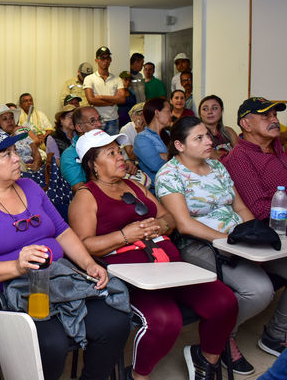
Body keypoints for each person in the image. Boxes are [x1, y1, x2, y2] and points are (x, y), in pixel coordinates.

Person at [0, 126, 131, 380]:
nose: (17, 158)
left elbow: (63, 232)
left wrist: (88, 264)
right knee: (50, 343)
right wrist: (17, 265)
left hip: (57, 279)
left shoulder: (31, 187)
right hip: (7, 292)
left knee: (115, 323)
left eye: (14, 151)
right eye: (6, 155)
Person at [68, 128, 238, 380]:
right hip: (132, 279)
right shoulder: (85, 197)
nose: (120, 158)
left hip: (170, 267)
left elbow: (167, 217)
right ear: (93, 164)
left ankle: (205, 360)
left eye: (119, 151)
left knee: (225, 302)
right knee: (166, 321)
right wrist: (126, 235)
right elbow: (82, 245)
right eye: (111, 153)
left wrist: (160, 225)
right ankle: (138, 376)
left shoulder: (134, 186)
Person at [156, 116, 287, 373]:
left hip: (237, 239)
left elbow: (238, 206)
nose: (209, 141)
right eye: (199, 138)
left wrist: (256, 235)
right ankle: (222, 338)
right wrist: (231, 243)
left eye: (207, 135)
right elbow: (184, 224)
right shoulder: (170, 174)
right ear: (180, 146)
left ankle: (276, 333)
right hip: (201, 245)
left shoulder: (217, 167)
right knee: (259, 291)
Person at [222, 97, 287, 222]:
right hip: (277, 227)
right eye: (266, 116)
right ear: (246, 124)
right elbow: (260, 210)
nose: (275, 120)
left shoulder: (277, 146)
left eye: (275, 115)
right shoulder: (239, 158)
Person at [60, 106, 141, 194]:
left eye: (99, 119)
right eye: (92, 121)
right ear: (79, 127)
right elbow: (80, 190)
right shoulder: (69, 155)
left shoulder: (106, 141)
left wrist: (126, 163)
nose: (99, 124)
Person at [83, 46, 126, 135]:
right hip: (95, 121)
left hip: (113, 120)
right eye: (102, 58)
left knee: (112, 146)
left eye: (108, 58)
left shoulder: (117, 79)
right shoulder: (89, 78)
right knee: (96, 147)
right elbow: (91, 100)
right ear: (96, 60)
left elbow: (122, 99)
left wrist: (101, 97)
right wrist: (112, 101)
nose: (105, 61)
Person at [0, 104, 42, 172]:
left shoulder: (22, 134)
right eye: (5, 119)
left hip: (34, 169)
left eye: (11, 118)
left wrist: (36, 164)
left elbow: (36, 153)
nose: (9, 121)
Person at [133, 98, 171, 185]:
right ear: (157, 113)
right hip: (158, 188)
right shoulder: (142, 138)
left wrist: (166, 156)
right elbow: (156, 166)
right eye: (168, 111)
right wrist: (174, 155)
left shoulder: (168, 134)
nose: (171, 114)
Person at [197, 95, 238, 159]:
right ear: (200, 113)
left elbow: (239, 156)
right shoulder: (196, 135)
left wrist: (217, 154)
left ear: (221, 111)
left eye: (214, 108)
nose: (210, 112)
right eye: (205, 109)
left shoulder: (229, 132)